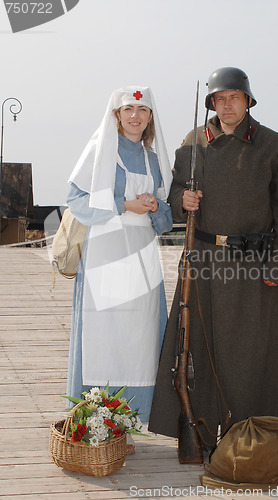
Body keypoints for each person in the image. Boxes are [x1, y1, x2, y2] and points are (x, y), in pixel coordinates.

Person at [148, 67, 278, 447]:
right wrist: (181, 201)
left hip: (252, 264)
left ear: (248, 100)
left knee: (248, 354)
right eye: (220, 98)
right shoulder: (192, 143)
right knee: (194, 347)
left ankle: (250, 438)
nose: (227, 104)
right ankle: (197, 433)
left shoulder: (273, 145)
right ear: (211, 103)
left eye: (234, 97)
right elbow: (175, 195)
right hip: (201, 261)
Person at [65, 87, 173, 452]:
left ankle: (126, 425)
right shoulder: (99, 151)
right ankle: (97, 423)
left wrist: (156, 205)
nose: (135, 116)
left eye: (142, 110)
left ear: (150, 117)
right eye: (129, 109)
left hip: (142, 256)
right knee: (105, 337)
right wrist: (124, 204)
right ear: (116, 114)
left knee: (138, 340)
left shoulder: (154, 159)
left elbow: (166, 219)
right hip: (106, 254)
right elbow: (76, 198)